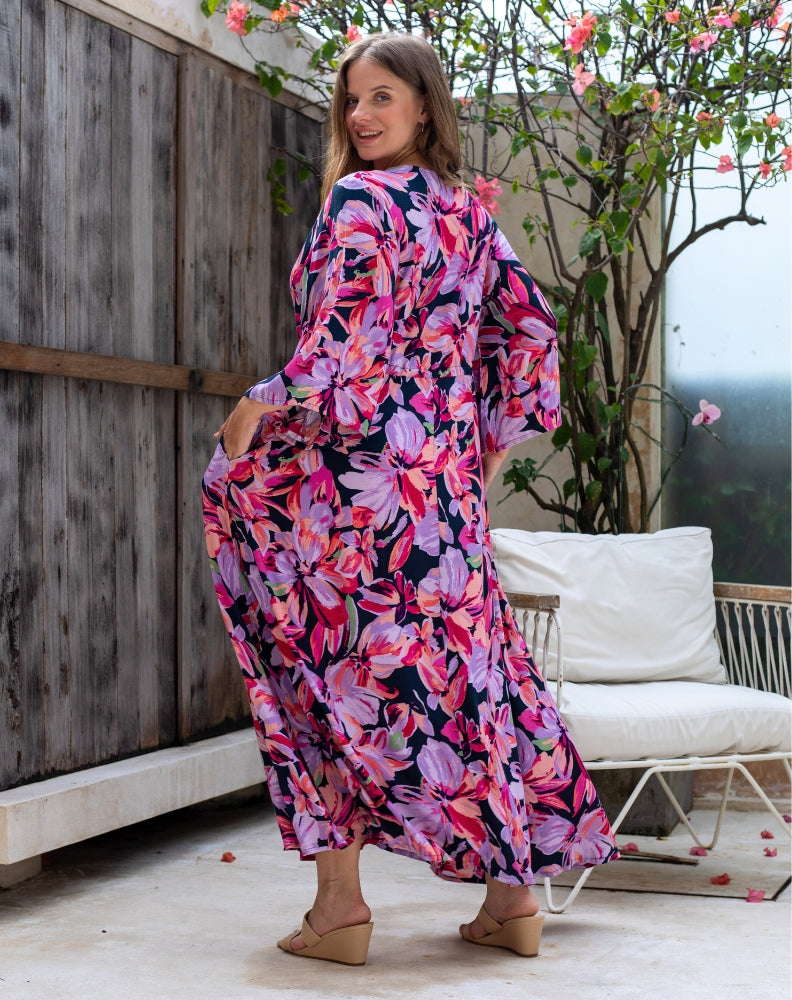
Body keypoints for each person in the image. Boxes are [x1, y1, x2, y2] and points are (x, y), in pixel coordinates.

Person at [202, 30, 618, 967]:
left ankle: (340, 910)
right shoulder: (469, 215)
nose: (360, 116)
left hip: (353, 496)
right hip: (441, 499)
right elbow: (530, 338)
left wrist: (261, 406)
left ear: (425, 104)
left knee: (324, 670)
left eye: (382, 97)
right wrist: (467, 439)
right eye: (353, 100)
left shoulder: (361, 198)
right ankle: (512, 903)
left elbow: (339, 348)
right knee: (471, 674)